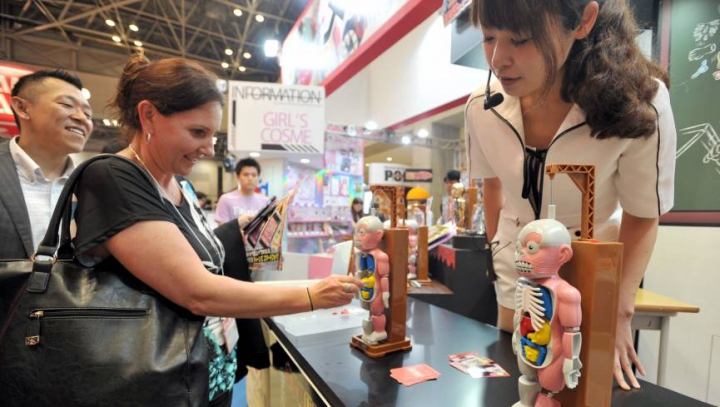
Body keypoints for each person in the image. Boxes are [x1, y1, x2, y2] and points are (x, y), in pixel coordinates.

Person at [70, 54, 362, 406]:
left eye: (212, 135)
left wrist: (238, 235)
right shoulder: (115, 177)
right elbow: (198, 291)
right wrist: (312, 295)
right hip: (154, 382)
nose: (208, 149)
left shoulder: (183, 188)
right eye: (197, 132)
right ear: (148, 115)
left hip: (206, 371)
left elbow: (197, 262)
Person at [465, 0, 676, 391]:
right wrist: (497, 252)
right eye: (489, 37)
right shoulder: (482, 107)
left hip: (593, 267)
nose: (498, 59)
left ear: (583, 21)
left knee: (582, 383)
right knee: (515, 376)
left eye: (521, 40)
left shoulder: (641, 102)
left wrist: (618, 311)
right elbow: (491, 183)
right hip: (519, 263)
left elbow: (643, 214)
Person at [0, 69, 93, 260]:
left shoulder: (92, 184)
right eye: (67, 105)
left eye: (88, 114)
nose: (82, 118)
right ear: (22, 108)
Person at [215, 157, 268, 227]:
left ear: (258, 177)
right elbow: (221, 230)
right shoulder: (226, 199)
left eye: (254, 175)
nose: (250, 178)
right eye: (246, 174)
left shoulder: (265, 201)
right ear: (238, 177)